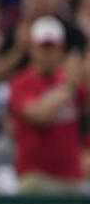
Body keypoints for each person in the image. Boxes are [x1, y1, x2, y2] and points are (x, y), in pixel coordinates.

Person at [7, 16, 87, 192]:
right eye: (43, 48)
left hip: (71, 176)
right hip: (36, 177)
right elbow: (38, 115)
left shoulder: (71, 81)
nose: (48, 54)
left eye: (53, 48)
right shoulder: (20, 82)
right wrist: (69, 85)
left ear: (62, 49)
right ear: (32, 48)